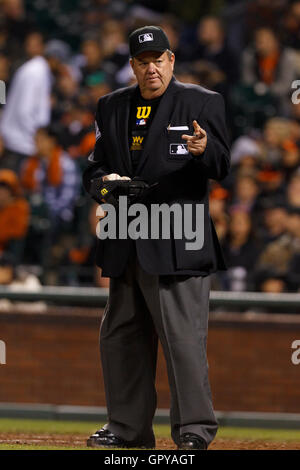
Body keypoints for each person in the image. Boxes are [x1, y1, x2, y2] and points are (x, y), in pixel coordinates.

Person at [83, 25, 230, 450]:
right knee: (121, 338)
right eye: (143, 62)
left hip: (177, 241)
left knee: (183, 342)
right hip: (125, 238)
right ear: (132, 66)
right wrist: (105, 183)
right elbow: (93, 169)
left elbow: (222, 164)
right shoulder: (110, 107)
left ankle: (194, 432)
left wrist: (204, 151)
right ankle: (126, 430)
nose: (151, 68)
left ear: (171, 61)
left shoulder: (201, 102)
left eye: (158, 60)